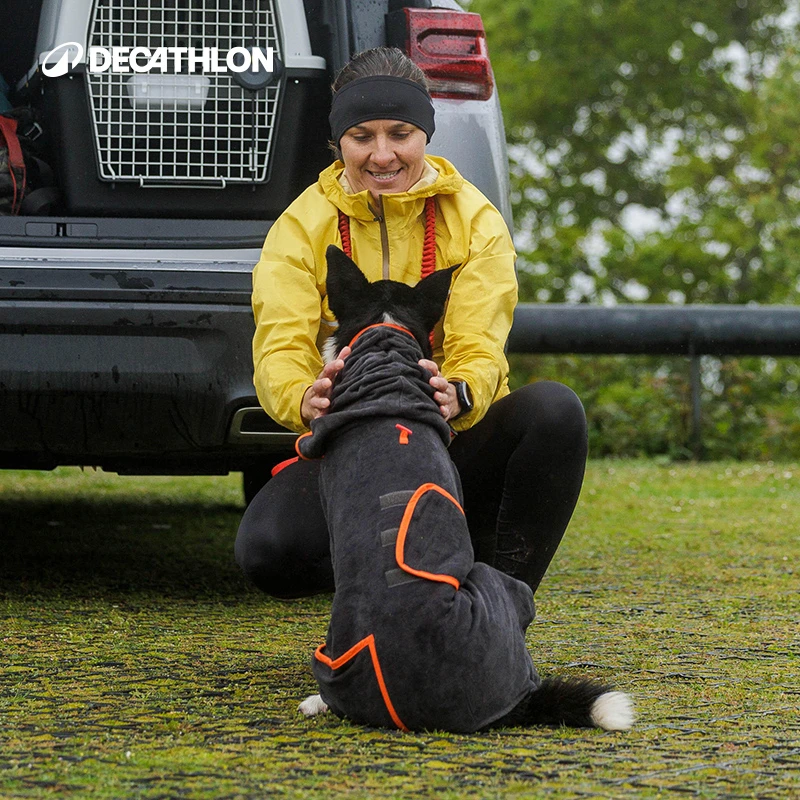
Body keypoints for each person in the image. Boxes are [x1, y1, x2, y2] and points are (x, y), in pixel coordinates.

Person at [236, 47, 588, 599]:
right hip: (352, 448)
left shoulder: (475, 220)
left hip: (448, 440)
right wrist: (304, 396)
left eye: (400, 133)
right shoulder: (300, 225)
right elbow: (280, 345)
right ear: (338, 142)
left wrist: (462, 393)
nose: (382, 155)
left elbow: (480, 342)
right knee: (270, 550)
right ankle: (392, 607)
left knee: (554, 411)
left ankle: (500, 611)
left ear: (424, 134)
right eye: (362, 137)